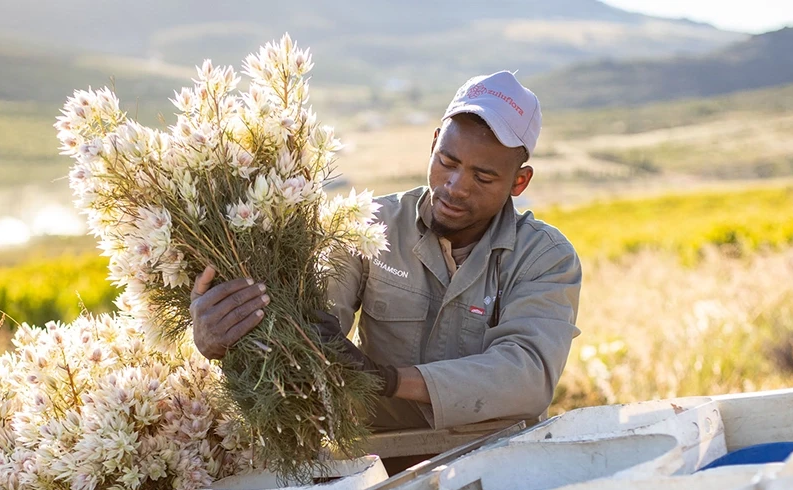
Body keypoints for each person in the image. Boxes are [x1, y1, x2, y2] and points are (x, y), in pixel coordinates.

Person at [190, 71, 581, 438]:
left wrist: (387, 379)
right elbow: (310, 326)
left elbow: (526, 377)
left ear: (519, 181)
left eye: (483, 177)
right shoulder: (367, 227)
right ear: (433, 145)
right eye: (447, 162)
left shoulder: (545, 258)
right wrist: (226, 339)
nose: (456, 186)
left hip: (496, 459)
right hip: (382, 459)